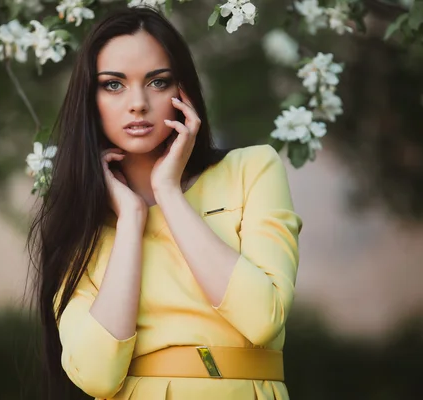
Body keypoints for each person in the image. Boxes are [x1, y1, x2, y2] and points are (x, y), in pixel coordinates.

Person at [28, 5, 303, 400]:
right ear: (90, 100)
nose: (137, 103)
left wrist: (169, 194)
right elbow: (97, 376)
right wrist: (131, 221)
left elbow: (263, 319)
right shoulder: (79, 220)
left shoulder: (253, 168)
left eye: (157, 82)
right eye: (113, 84)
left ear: (183, 91)